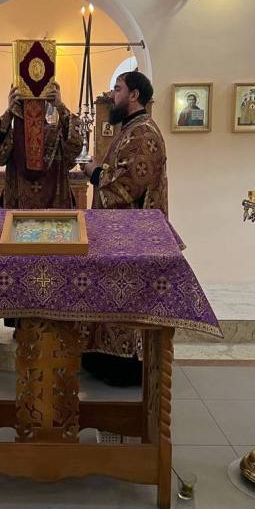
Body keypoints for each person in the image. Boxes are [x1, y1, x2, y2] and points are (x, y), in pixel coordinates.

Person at [81, 71, 168, 386]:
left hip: (133, 236)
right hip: (119, 233)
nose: (111, 95)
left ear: (134, 95)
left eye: (117, 89)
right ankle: (104, 356)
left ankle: (125, 366)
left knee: (126, 298)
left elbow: (129, 183)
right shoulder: (131, 129)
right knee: (111, 296)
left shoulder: (142, 133)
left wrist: (94, 173)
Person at [0, 82, 82, 209]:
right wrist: (9, 113)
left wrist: (60, 106)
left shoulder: (56, 134)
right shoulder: (13, 136)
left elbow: (75, 148)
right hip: (18, 209)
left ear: (45, 105)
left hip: (55, 210)